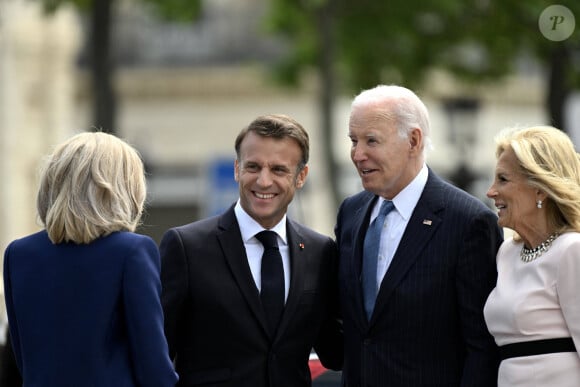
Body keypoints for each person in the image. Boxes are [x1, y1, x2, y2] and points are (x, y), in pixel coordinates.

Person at [335, 84, 503, 386]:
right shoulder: (351, 212)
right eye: (353, 141)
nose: (358, 154)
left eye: (371, 141)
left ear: (413, 140)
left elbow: (482, 347)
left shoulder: (468, 222)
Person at [160, 114, 343, 387]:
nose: (264, 181)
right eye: (253, 167)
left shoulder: (320, 251)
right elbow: (158, 352)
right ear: (237, 169)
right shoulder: (186, 247)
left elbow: (335, 352)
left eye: (279, 170)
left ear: (301, 176)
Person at [2, 132, 178, 387]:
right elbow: (154, 368)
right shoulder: (132, 252)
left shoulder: (18, 254)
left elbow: (23, 358)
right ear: (122, 188)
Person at [484, 126, 580, 386]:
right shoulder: (507, 253)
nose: (490, 192)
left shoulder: (572, 250)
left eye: (503, 179)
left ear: (540, 189)